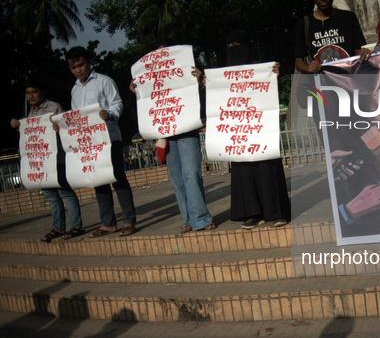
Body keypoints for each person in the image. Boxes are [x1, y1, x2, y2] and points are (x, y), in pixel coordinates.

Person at [130, 39, 216, 232]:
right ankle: (188, 220)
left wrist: (199, 82)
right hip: (165, 134)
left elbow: (204, 100)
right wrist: (138, 91)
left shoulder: (191, 71)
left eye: (167, 52)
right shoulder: (151, 77)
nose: (163, 57)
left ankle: (200, 218)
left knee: (191, 174)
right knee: (177, 178)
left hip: (187, 130)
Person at [64, 46, 138, 237]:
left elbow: (117, 103)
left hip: (109, 138)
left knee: (117, 178)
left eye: (80, 64)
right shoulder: (74, 90)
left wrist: (110, 114)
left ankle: (128, 220)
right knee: (99, 181)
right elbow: (75, 116)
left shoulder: (104, 81)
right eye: (73, 67)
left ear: (89, 62)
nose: (78, 69)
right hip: (89, 143)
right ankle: (108, 223)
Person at [223, 29, 291, 229]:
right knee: (244, 171)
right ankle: (251, 213)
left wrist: (274, 76)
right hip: (239, 131)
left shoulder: (260, 69)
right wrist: (204, 83)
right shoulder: (222, 75)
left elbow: (271, 95)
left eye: (238, 46)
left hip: (260, 127)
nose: (234, 51)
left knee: (266, 168)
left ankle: (276, 211)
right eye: (230, 47)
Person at [11, 77, 85, 242]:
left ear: (42, 92)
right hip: (41, 161)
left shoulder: (53, 107)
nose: (31, 96)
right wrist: (18, 127)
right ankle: (58, 227)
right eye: (27, 93)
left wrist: (59, 127)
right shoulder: (30, 112)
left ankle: (77, 226)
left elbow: (66, 128)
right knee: (50, 195)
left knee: (65, 192)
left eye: (34, 92)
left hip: (57, 158)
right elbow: (31, 135)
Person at [294, 0, 372, 74]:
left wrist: (364, 52)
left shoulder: (348, 18)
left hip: (349, 82)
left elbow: (358, 51)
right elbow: (298, 62)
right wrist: (308, 67)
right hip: (320, 85)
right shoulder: (304, 23)